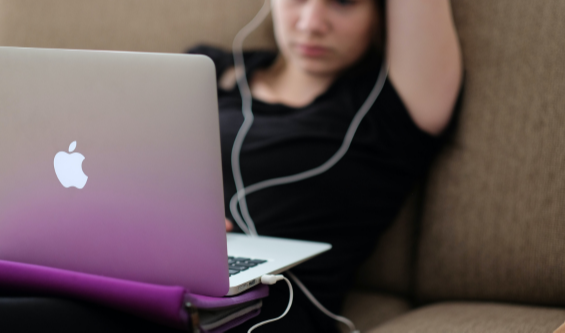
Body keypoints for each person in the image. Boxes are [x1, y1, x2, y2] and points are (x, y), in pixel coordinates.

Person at [189, 0, 462, 331]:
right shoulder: (206, 69)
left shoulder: (393, 104)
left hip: (263, 310)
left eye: (343, 2)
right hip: (160, 273)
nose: (311, 23)